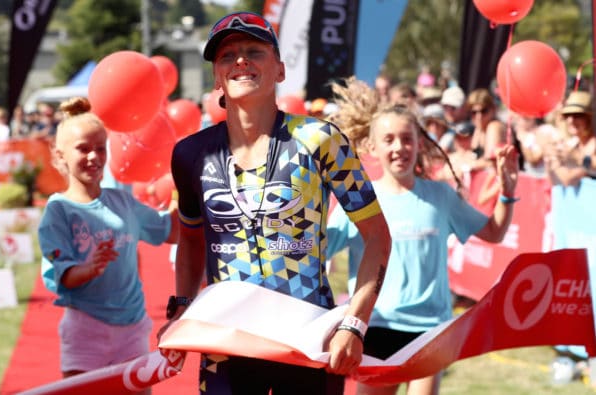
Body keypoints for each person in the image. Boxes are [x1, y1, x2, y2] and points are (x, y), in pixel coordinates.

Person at [162, 11, 391, 395]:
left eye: (254, 50)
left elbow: (378, 237)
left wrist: (354, 323)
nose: (240, 60)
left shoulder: (320, 139)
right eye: (226, 56)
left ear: (280, 70)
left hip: (307, 337)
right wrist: (182, 306)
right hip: (226, 342)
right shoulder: (190, 154)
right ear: (217, 77)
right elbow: (191, 240)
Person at [328, 77, 519, 395]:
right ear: (372, 147)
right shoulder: (359, 201)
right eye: (388, 140)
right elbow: (318, 249)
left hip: (431, 330)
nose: (399, 148)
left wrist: (508, 192)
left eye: (406, 138)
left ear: (419, 142)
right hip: (376, 326)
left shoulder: (441, 196)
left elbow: (495, 233)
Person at [37, 97, 178, 384]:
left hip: (133, 327)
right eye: (83, 149)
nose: (94, 157)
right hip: (85, 330)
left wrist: (183, 192)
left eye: (100, 148)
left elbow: (171, 231)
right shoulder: (58, 210)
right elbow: (61, 275)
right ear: (61, 156)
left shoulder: (123, 202)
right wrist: (88, 268)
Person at [546, 90, 596, 185]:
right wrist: (551, 159)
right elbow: (555, 182)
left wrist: (577, 158)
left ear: (589, 118)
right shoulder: (573, 144)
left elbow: (568, 180)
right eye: (567, 115)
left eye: (577, 115)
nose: (570, 120)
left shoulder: (593, 144)